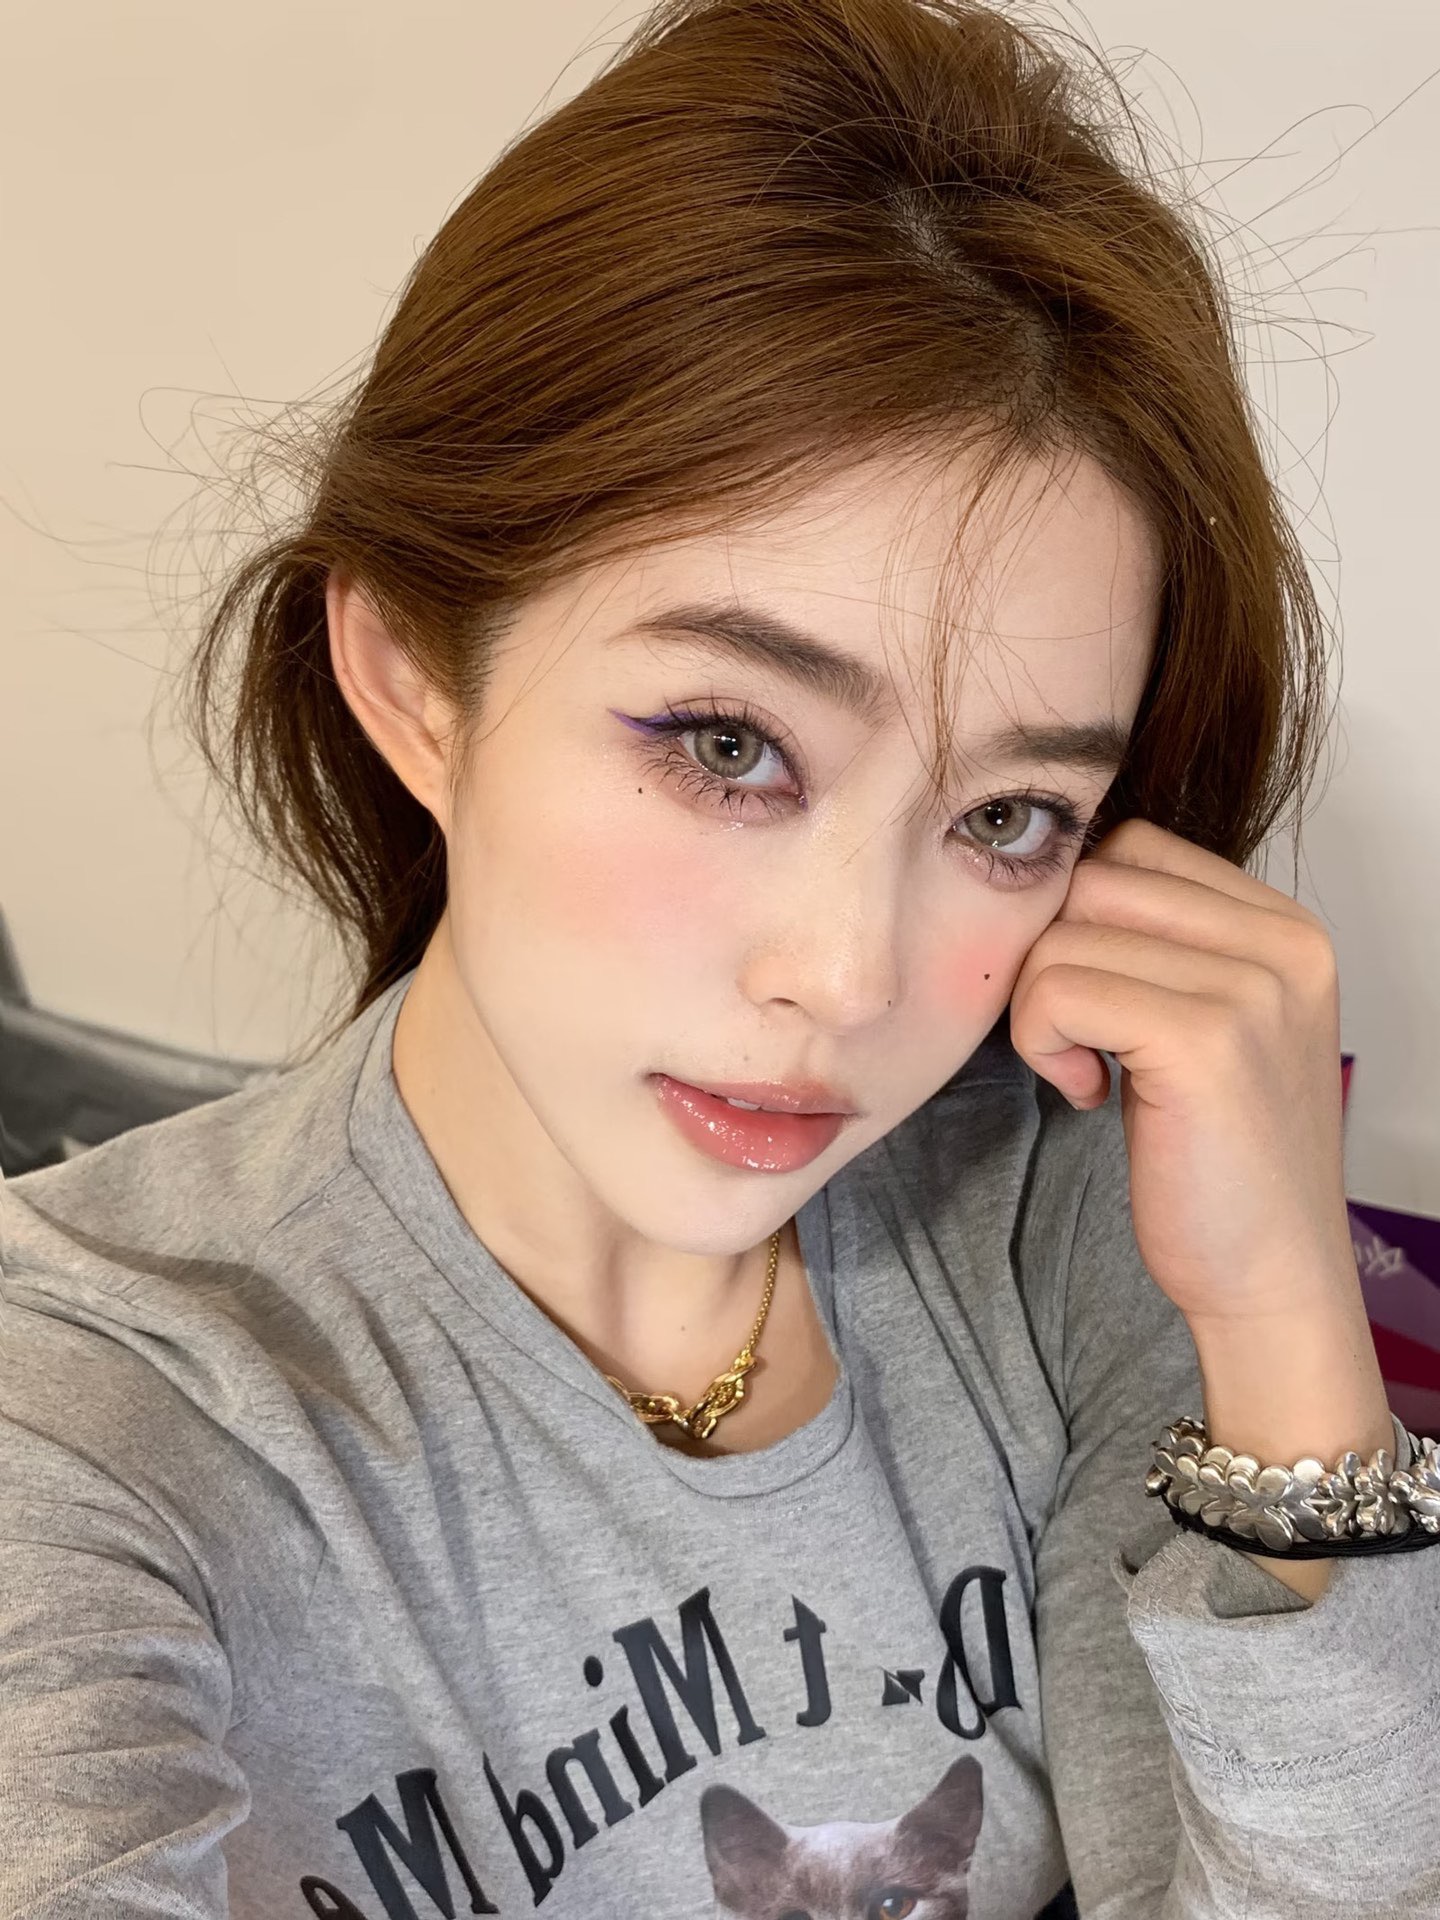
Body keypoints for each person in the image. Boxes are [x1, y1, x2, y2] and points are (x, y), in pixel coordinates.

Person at [1, 1, 1437, 1915]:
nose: (849, 978)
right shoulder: (88, 1412)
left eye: (1010, 815)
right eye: (729, 744)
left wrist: (1283, 1318)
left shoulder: (1052, 1201)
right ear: (413, 677)